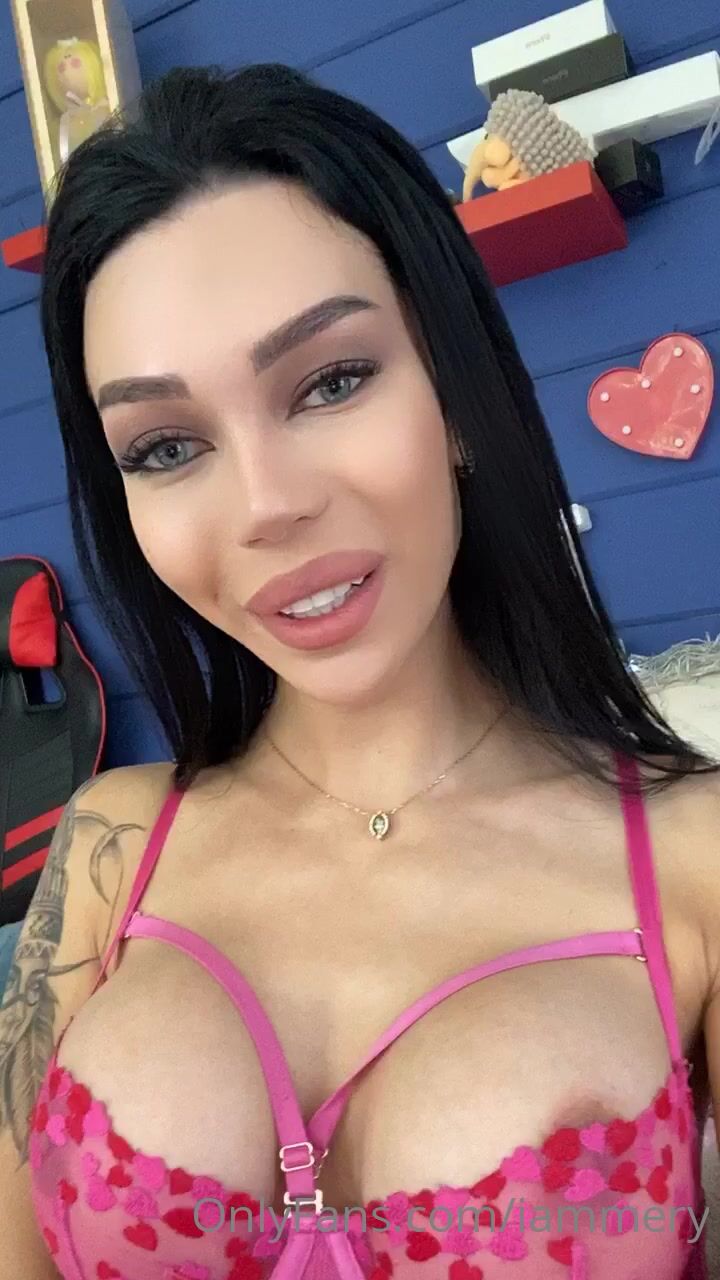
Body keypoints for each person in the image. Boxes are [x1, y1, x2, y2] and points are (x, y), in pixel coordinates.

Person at [0, 62, 718, 1280]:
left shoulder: (699, 854)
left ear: (454, 390)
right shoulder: (111, 844)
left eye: (332, 381)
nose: (267, 506)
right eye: (165, 446)